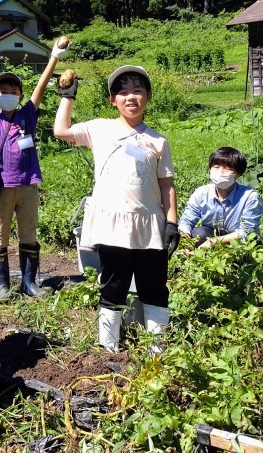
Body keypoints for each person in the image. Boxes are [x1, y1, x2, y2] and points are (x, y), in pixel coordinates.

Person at [53, 65, 179, 353]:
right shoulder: (100, 128)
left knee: (154, 287)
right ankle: (108, 346)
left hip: (149, 224)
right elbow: (61, 130)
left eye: (137, 91)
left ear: (148, 97)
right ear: (113, 100)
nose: (130, 97)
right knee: (113, 284)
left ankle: (157, 350)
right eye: (123, 92)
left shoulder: (158, 141)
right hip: (112, 225)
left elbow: (166, 186)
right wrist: (67, 96)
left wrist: (172, 223)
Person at [0, 35, 68, 300]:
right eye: (3, 91)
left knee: (28, 234)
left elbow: (41, 87)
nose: (8, 94)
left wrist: (55, 55)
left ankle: (30, 283)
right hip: (2, 187)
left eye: (14, 91)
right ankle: (0, 286)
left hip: (28, 185)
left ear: (19, 95)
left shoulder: (26, 116)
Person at [178, 146, 263, 248]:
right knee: (199, 233)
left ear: (239, 174)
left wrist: (214, 241)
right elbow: (187, 220)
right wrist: (184, 238)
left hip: (240, 242)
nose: (221, 172)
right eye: (216, 167)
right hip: (210, 235)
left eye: (228, 168)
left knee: (250, 244)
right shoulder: (201, 192)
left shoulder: (249, 197)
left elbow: (247, 231)